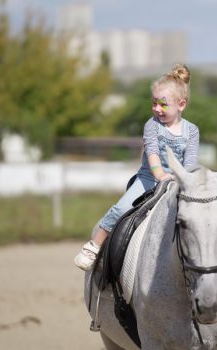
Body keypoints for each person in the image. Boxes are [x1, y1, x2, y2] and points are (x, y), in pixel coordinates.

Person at [74, 63, 200, 271]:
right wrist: (161, 175)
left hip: (180, 181)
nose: (156, 109)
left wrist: (184, 180)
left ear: (181, 105)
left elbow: (191, 161)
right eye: (154, 103)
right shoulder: (152, 125)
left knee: (207, 209)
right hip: (149, 179)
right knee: (122, 208)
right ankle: (95, 245)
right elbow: (152, 154)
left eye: (163, 104)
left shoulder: (192, 131)